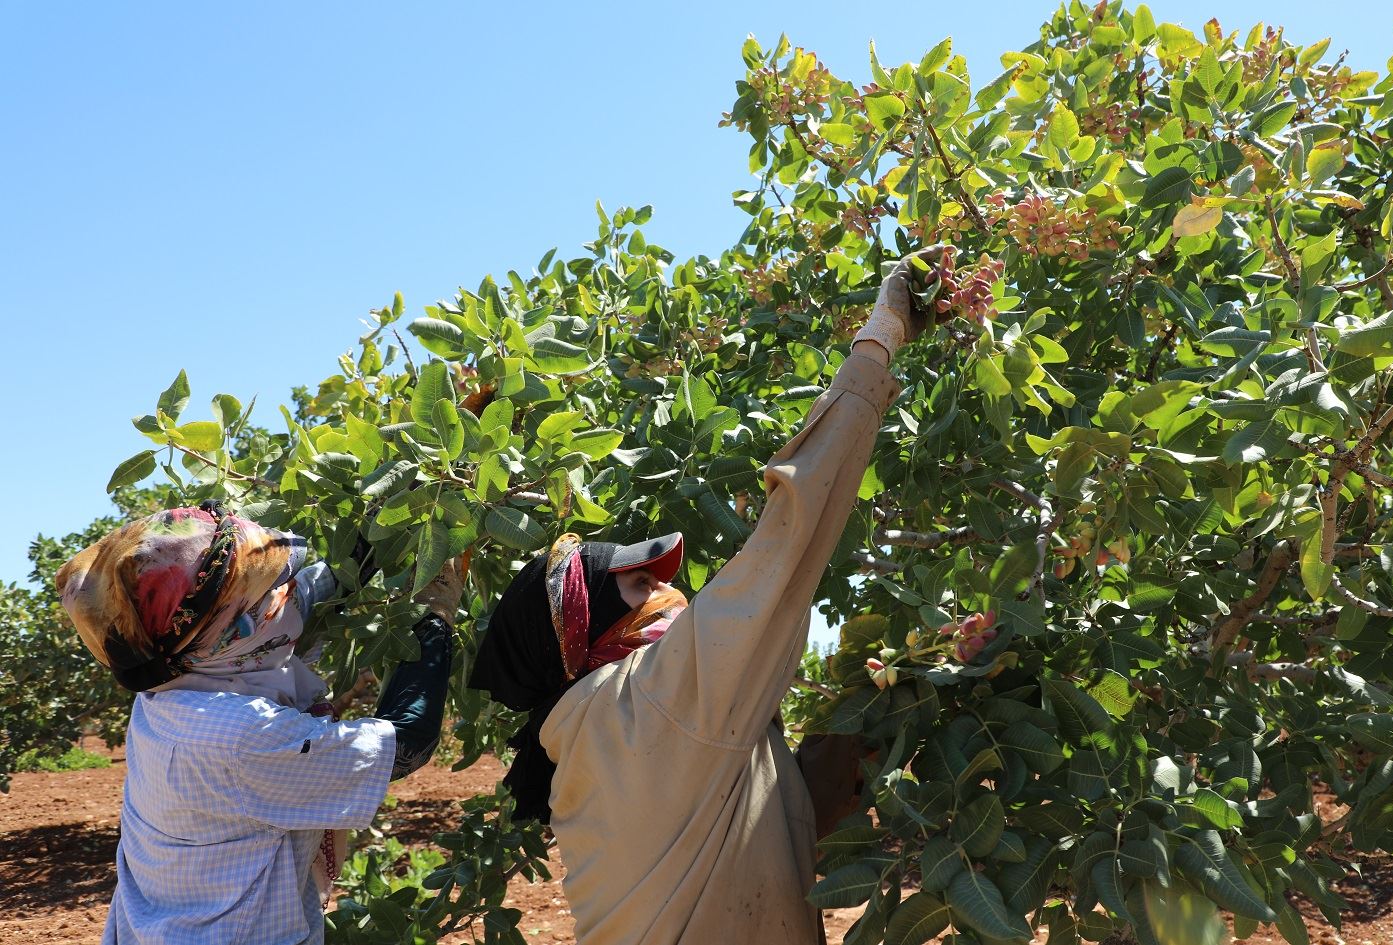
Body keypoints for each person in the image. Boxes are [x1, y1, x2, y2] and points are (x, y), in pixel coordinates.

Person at [468, 248, 946, 945]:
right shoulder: (647, 701)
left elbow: (763, 832)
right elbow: (790, 538)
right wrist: (881, 335)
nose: (667, 588)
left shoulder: (603, 736)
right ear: (583, 631)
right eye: (638, 582)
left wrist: (860, 723)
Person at [55, 500, 464, 945]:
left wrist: (395, 505)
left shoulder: (176, 671)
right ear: (242, 625)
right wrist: (433, 620)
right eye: (275, 587)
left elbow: (310, 594)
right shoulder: (239, 736)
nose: (290, 591)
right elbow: (407, 741)